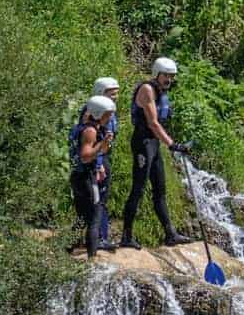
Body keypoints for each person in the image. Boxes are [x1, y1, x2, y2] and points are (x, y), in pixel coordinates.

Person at [120, 57, 193, 249]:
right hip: (142, 143)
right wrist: (172, 144)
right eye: (166, 75)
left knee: (160, 189)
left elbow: (162, 120)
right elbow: (152, 123)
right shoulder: (147, 89)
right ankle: (126, 236)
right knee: (138, 189)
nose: (169, 79)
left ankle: (170, 234)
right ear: (157, 74)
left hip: (153, 145)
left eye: (171, 76)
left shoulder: (162, 92)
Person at [69, 96, 117, 258]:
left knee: (82, 216)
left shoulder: (85, 126)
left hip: (78, 177)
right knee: (95, 217)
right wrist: (101, 145)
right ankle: (92, 257)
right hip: (86, 179)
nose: (110, 117)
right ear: (98, 113)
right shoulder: (91, 131)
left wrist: (100, 159)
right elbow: (85, 155)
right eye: (108, 114)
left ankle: (66, 248)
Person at [79, 77, 120, 251]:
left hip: (102, 156)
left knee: (99, 202)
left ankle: (94, 238)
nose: (116, 97)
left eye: (117, 93)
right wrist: (99, 164)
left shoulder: (105, 110)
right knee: (97, 203)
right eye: (112, 94)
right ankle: (98, 240)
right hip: (96, 161)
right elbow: (92, 144)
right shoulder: (93, 115)